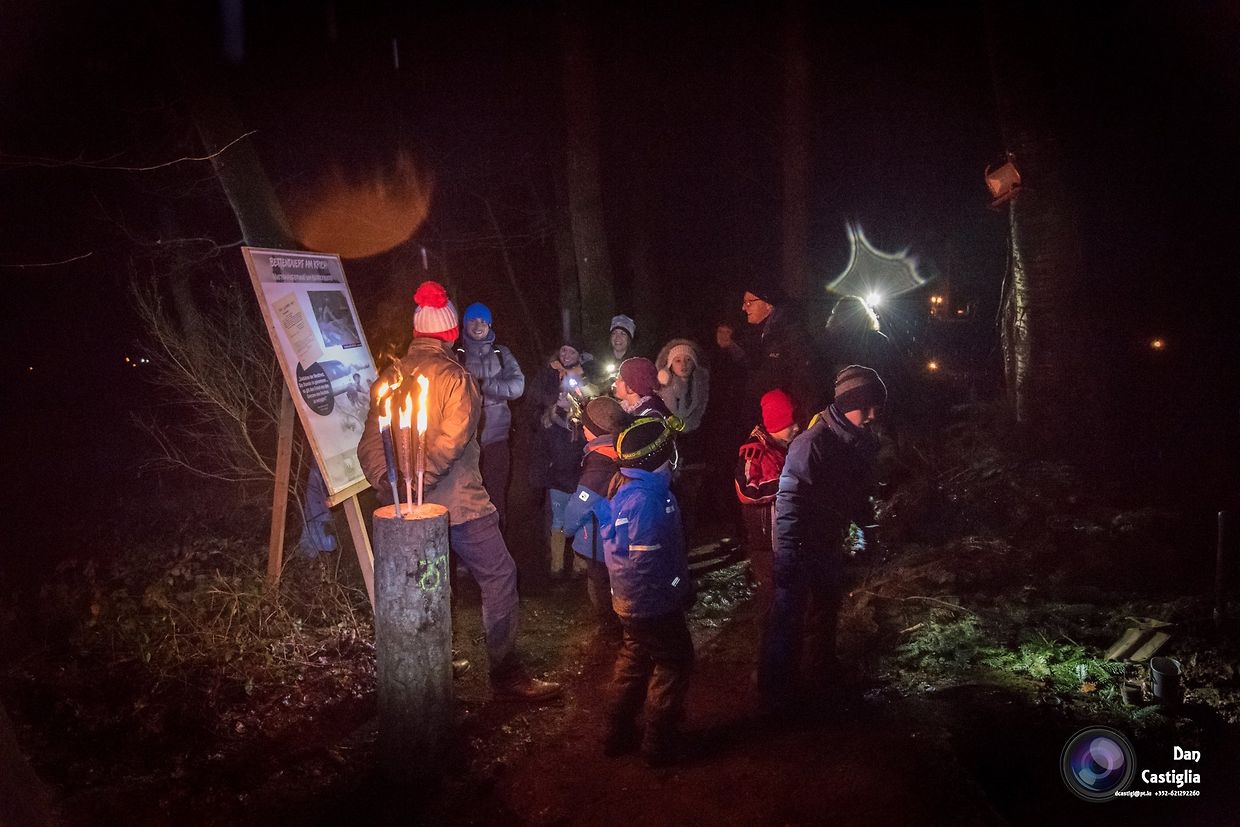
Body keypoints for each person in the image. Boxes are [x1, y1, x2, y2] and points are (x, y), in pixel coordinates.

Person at [359, 280, 561, 702]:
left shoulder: (391, 376)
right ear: (451, 333)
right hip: (461, 505)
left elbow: (370, 445)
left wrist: (393, 486)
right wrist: (415, 483)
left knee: (428, 579)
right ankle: (505, 674)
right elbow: (451, 443)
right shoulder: (456, 377)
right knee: (500, 575)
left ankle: (435, 659)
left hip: (407, 509)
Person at [757, 365, 886, 717]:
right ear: (847, 405)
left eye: (876, 407)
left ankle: (821, 678)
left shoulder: (855, 440)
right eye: (866, 407)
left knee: (825, 610)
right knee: (788, 617)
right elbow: (789, 499)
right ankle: (776, 695)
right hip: (800, 544)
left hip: (828, 541)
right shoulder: (812, 443)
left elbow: (856, 491)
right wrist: (788, 553)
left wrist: (866, 526)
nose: (872, 415)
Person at [600, 416, 693, 766]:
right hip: (653, 603)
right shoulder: (648, 500)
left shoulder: (625, 488)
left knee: (635, 660)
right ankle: (659, 742)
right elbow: (648, 562)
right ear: (662, 458)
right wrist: (678, 587)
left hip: (629, 600)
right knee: (674, 662)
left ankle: (616, 731)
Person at [562, 397, 630, 642]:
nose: (582, 428)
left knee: (599, 582)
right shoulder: (621, 449)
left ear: (594, 430)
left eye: (585, 425)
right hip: (620, 535)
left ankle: (610, 626)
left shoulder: (599, 463)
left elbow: (581, 504)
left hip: (599, 540)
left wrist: (567, 527)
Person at [455, 302, 525, 528]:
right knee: (468, 499)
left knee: (496, 497)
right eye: (473, 320)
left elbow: (518, 386)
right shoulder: (456, 354)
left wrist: (487, 385)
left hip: (497, 439)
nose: (478, 326)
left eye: (483, 321)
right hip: (466, 442)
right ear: (465, 324)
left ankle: (499, 539)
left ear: (490, 325)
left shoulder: (501, 353)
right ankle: (472, 545)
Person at [529, 340, 592, 578]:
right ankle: (556, 563)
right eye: (563, 349)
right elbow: (535, 413)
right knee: (558, 518)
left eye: (572, 350)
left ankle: (579, 562)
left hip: (578, 473)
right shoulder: (549, 419)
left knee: (581, 516)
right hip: (556, 473)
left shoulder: (582, 421)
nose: (566, 354)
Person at [734, 389, 799, 615]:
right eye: (790, 423)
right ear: (775, 424)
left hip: (782, 534)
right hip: (765, 539)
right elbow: (747, 491)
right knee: (771, 588)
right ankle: (767, 628)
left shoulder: (782, 446)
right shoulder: (754, 451)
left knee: (787, 583)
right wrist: (787, 483)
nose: (796, 427)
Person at [740, 284, 818, 423]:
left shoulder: (788, 334)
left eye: (749, 302)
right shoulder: (762, 332)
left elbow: (803, 380)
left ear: (768, 304)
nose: (744, 307)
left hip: (787, 420)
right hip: (771, 414)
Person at [596, 314, 637, 386]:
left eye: (623, 334)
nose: (617, 337)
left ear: (629, 339)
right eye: (614, 333)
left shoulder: (635, 363)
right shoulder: (600, 360)